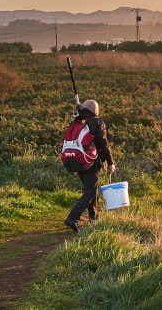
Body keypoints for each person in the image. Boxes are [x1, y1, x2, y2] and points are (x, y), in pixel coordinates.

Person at [64, 99, 115, 232]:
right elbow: (103, 145)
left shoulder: (78, 120)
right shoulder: (97, 123)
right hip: (89, 162)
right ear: (95, 111)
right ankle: (72, 218)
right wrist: (110, 163)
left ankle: (93, 216)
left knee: (91, 188)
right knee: (91, 191)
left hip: (75, 159)